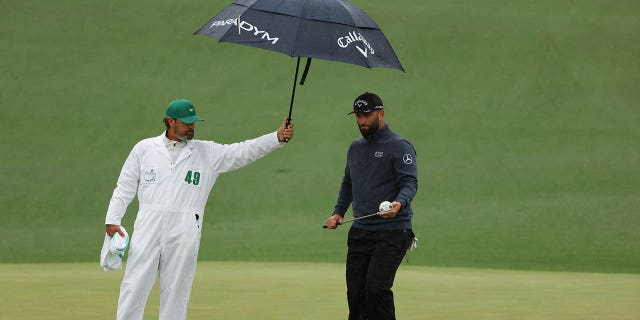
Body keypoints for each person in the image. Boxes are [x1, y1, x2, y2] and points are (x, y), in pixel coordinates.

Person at [104, 98, 294, 320]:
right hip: (148, 224)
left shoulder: (207, 152)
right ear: (170, 121)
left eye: (194, 122)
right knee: (134, 286)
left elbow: (242, 151)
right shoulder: (144, 149)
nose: (191, 127)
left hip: (185, 229)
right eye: (186, 122)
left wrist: (276, 137)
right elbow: (125, 186)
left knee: (177, 291)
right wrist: (113, 219)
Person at [325, 92, 418, 320]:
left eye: (366, 115)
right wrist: (338, 212)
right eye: (358, 116)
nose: (361, 121)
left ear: (381, 113)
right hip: (360, 233)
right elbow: (348, 183)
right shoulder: (354, 148)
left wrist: (399, 202)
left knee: (376, 290)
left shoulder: (400, 146)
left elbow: (409, 182)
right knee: (356, 295)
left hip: (393, 231)